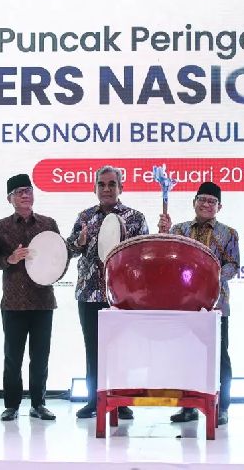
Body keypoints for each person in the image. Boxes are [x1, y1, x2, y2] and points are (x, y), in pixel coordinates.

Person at [67, 165, 149, 419]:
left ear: (120, 187)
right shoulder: (84, 217)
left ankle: (121, 401)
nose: (106, 189)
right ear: (95, 188)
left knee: (122, 349)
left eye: (112, 184)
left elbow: (144, 254)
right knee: (92, 349)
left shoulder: (135, 217)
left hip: (123, 295)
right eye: (101, 184)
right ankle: (94, 400)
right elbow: (69, 250)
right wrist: (78, 242)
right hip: (89, 293)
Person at [158, 181, 240, 426]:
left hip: (216, 304)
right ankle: (188, 407)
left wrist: (209, 277)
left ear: (219, 207)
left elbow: (233, 265)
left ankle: (221, 407)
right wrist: (163, 234)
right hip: (184, 303)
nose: (206, 204)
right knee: (185, 355)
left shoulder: (229, 233)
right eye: (202, 200)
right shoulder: (179, 230)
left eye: (211, 201)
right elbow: (167, 257)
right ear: (194, 202)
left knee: (219, 357)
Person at [0, 173, 61, 421]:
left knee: (40, 357)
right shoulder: (0, 227)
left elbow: (59, 256)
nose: (26, 195)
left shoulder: (48, 224)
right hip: (13, 303)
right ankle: (11, 405)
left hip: (42, 300)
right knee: (13, 357)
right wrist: (10, 259)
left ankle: (39, 404)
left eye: (29, 190)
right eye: (19, 192)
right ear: (10, 199)